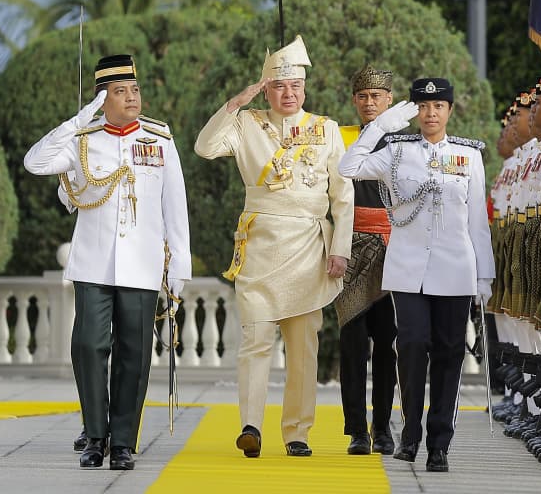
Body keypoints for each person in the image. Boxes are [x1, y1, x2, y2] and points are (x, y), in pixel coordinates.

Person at [24, 54, 192, 470]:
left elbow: (176, 206)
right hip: (93, 264)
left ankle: (121, 441)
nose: (132, 97)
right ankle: (94, 435)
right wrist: (78, 120)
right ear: (103, 98)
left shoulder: (160, 140)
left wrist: (180, 266)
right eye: (121, 92)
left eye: (134, 89)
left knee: (135, 353)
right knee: (87, 345)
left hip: (142, 264)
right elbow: (36, 162)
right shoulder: (84, 140)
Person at [193, 36, 354, 459]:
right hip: (261, 246)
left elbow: (343, 195)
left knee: (304, 347)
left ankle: (297, 432)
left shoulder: (327, 129)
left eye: (295, 86)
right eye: (279, 86)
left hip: (308, 248)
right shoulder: (246, 123)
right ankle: (250, 425)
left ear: (304, 88)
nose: (289, 94)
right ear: (266, 89)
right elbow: (205, 147)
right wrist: (234, 104)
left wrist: (341, 247)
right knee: (256, 340)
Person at [338, 77, 496, 473]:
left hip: (455, 270)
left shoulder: (468, 157)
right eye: (423, 107)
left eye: (438, 107)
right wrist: (379, 128)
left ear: (449, 111)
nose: (429, 114)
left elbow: (478, 221)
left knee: (448, 353)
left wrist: (484, 277)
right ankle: (410, 434)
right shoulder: (396, 151)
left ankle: (439, 442)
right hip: (407, 270)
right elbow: (348, 167)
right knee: (410, 347)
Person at [335, 65, 398, 456]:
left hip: (394, 248)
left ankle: (384, 426)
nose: (370, 102)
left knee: (388, 344)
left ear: (389, 100)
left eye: (377, 96)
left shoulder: (405, 143)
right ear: (355, 100)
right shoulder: (340, 139)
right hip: (351, 247)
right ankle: (357, 429)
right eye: (363, 96)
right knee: (353, 344)